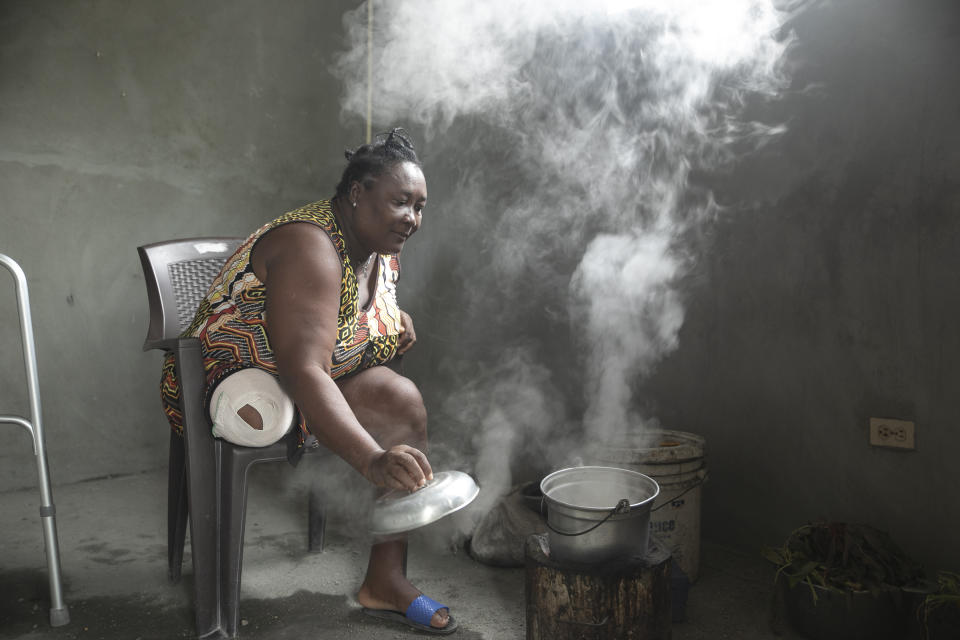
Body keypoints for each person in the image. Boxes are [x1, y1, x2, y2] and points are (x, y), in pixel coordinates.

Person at [160, 128, 455, 634]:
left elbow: (341, 322)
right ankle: (215, 608)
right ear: (358, 193)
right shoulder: (310, 245)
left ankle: (385, 580)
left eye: (420, 206)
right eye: (401, 201)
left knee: (401, 400)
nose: (412, 218)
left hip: (310, 377)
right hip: (233, 385)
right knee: (264, 412)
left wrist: (392, 319)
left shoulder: (381, 251)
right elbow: (303, 368)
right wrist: (371, 459)